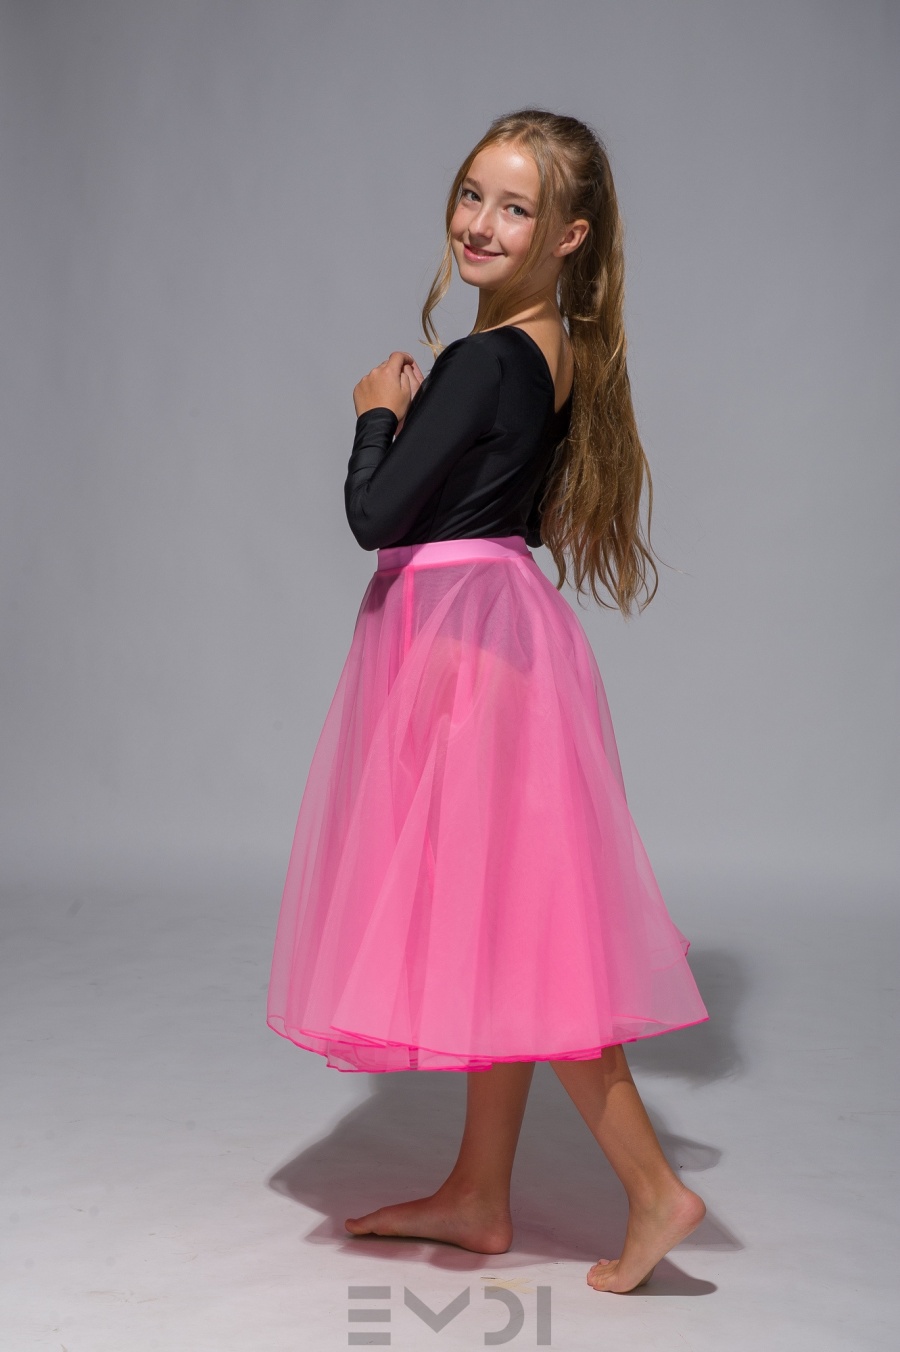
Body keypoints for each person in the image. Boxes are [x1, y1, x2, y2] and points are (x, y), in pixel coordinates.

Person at [267, 108, 709, 1294]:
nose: (480, 222)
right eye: (472, 193)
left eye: (516, 208)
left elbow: (376, 517)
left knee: (525, 929)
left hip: (459, 645)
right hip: (499, 628)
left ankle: (654, 1188)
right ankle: (477, 1190)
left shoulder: (483, 360)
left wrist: (374, 410)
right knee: (496, 922)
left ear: (568, 235)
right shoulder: (554, 347)